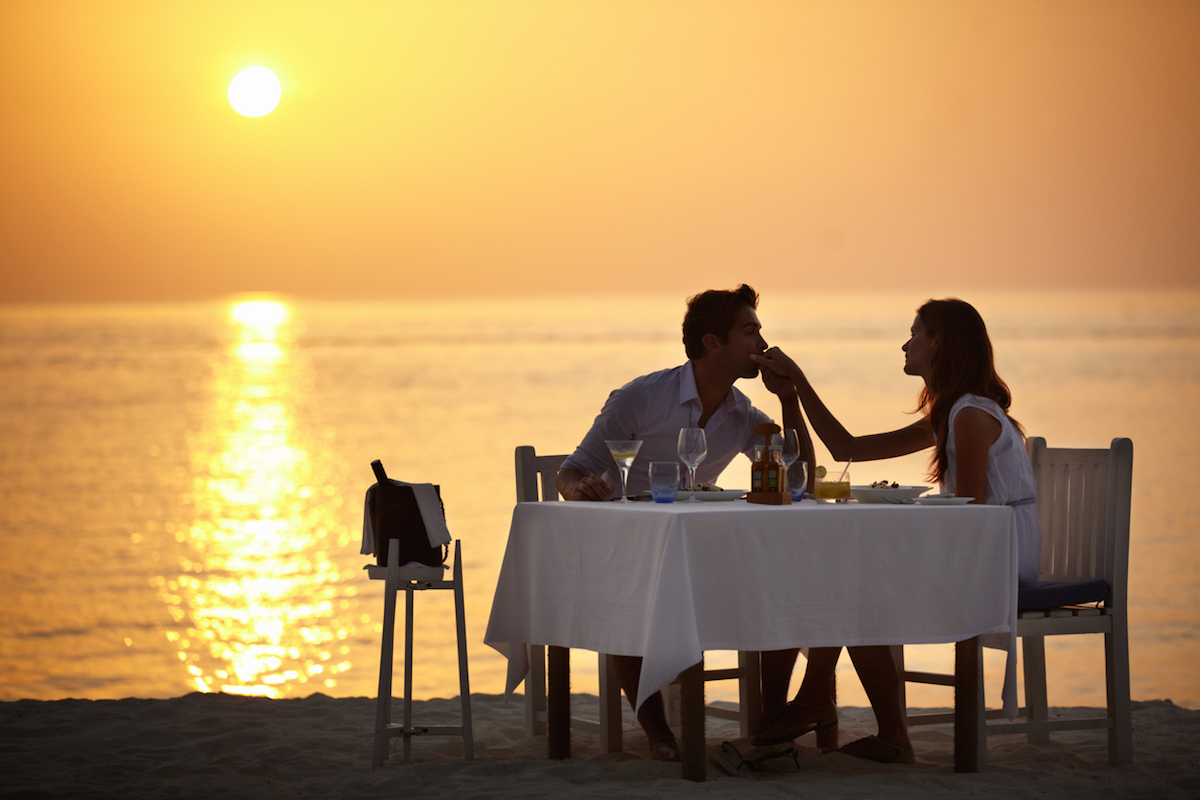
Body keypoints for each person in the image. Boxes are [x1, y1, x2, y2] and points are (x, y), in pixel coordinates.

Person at [747, 297, 1039, 765]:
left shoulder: (969, 415)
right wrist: (795, 388)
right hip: (982, 547)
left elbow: (971, 514)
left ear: (938, 343)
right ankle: (854, 719)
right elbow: (846, 447)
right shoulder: (952, 412)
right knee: (848, 579)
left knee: (852, 583)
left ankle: (826, 706)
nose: (906, 344)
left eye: (915, 333)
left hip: (997, 558)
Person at [556, 284, 816, 761]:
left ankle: (771, 722)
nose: (762, 342)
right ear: (712, 343)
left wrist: (788, 399)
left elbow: (799, 478)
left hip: (703, 554)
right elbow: (571, 470)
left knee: (784, 585)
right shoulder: (641, 397)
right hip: (629, 548)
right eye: (750, 331)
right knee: (632, 595)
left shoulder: (743, 413)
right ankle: (659, 732)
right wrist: (579, 489)